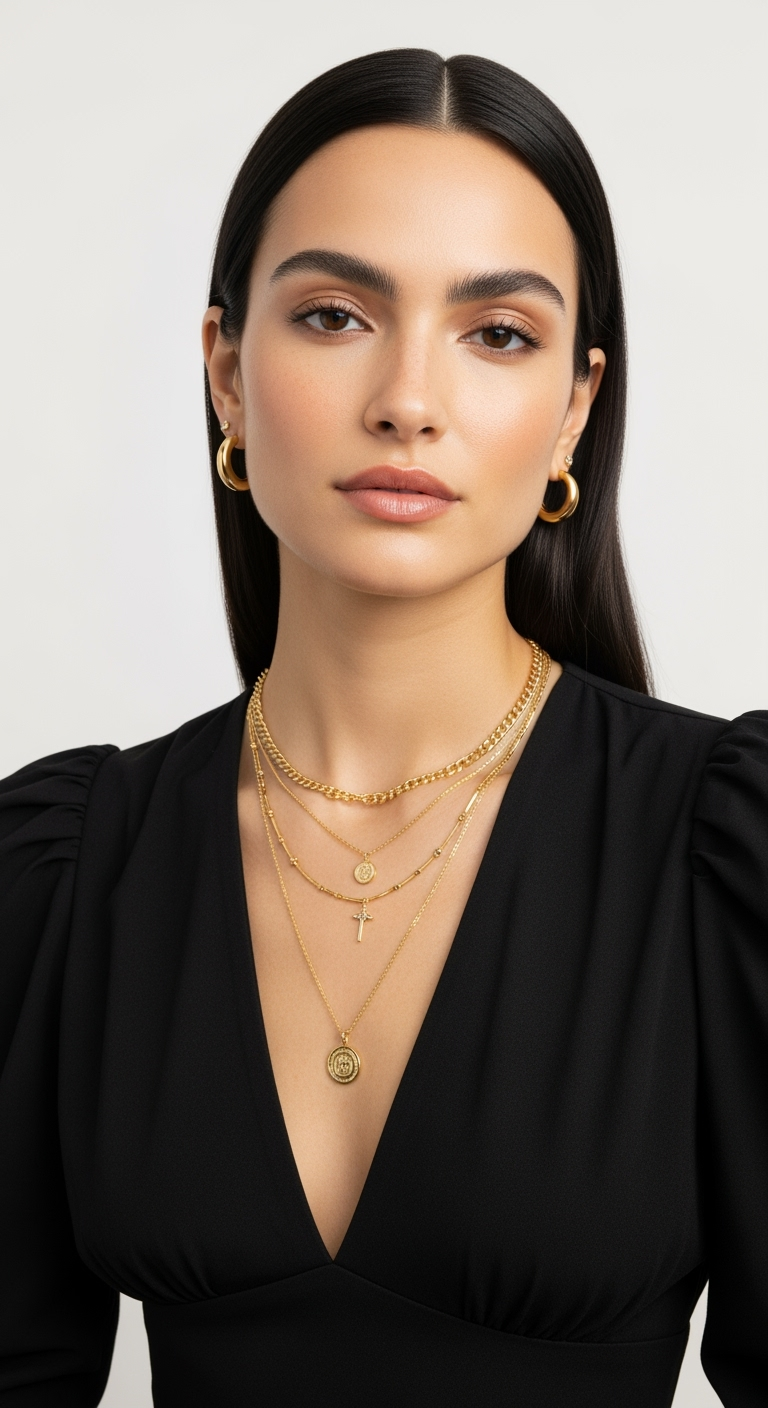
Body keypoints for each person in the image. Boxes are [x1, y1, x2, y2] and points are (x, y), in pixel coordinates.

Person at [0, 47, 765, 1408]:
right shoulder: (67, 871)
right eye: (338, 315)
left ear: (573, 408)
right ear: (227, 373)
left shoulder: (726, 855)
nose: (409, 399)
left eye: (497, 334)